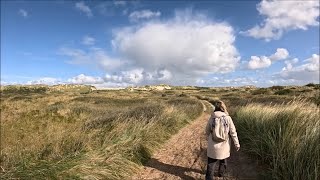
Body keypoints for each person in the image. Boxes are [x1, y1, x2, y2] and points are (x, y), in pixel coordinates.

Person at [205, 100, 240, 179]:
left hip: (213, 145)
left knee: (211, 163)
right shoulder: (228, 118)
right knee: (223, 160)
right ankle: (221, 174)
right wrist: (237, 144)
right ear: (223, 107)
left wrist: (209, 138)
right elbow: (233, 132)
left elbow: (207, 131)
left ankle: (209, 178)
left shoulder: (212, 118)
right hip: (224, 145)